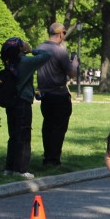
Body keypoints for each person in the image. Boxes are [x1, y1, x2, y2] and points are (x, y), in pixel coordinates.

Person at [0, 37, 51, 178]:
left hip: (11, 101)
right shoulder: (25, 62)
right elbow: (47, 55)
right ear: (20, 48)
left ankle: (9, 168)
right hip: (23, 101)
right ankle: (21, 169)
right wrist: (31, 50)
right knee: (23, 135)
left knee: (13, 135)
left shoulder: (9, 62)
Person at [36, 23, 78, 167]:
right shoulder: (59, 51)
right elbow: (71, 73)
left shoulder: (39, 48)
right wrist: (75, 63)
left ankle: (47, 156)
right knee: (58, 128)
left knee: (48, 125)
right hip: (59, 94)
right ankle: (53, 160)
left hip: (45, 95)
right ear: (61, 34)